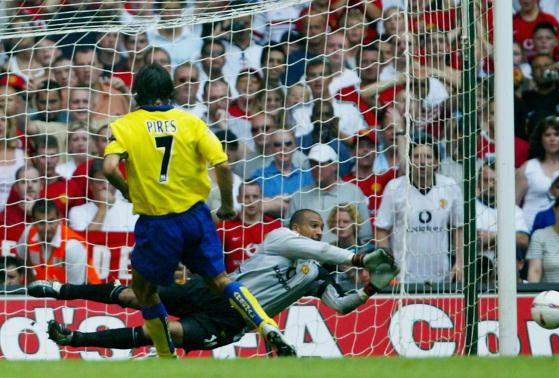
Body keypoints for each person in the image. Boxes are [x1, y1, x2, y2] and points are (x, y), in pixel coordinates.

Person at [102, 63, 294, 358]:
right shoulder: (191, 122)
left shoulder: (124, 125)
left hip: (158, 222)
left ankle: (166, 356)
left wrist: (126, 189)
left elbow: (109, 167)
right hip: (196, 217)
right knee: (220, 281)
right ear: (170, 91)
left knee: (144, 291)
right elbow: (224, 165)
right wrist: (229, 204)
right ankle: (267, 325)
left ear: (137, 93)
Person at [30, 209, 397, 353]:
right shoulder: (279, 238)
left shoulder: (316, 274)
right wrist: (358, 258)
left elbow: (341, 306)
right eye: (314, 226)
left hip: (233, 320)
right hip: (215, 290)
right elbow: (326, 253)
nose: (319, 232)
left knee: (163, 333)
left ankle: (74, 339)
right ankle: (61, 290)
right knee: (137, 295)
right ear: (298, 227)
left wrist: (370, 286)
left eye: (321, 228)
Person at [375, 136, 464, 284]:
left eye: (428, 157)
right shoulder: (394, 187)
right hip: (403, 276)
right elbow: (382, 229)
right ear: (409, 160)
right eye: (416, 156)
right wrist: (387, 266)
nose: (422, 162)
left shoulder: (450, 186)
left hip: (441, 275)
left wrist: (460, 263)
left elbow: (459, 227)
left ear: (437, 162)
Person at [287, 143, 372, 243]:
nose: (316, 168)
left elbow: (365, 236)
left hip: (345, 256)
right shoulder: (299, 196)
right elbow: (288, 235)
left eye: (322, 164)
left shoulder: (353, 192)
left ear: (334, 166)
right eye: (313, 163)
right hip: (308, 256)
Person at [17, 199, 101, 285]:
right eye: (41, 223)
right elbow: (24, 263)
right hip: (51, 291)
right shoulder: (28, 233)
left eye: (51, 221)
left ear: (59, 219)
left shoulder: (72, 246)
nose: (47, 228)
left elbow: (76, 290)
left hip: (87, 293)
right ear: (33, 222)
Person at [516, 116, 559, 230]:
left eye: (557, 134)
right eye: (547, 135)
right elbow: (513, 205)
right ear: (540, 139)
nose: (552, 139)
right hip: (529, 231)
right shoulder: (528, 167)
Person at [217, 182, 282, 273]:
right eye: (246, 197)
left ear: (261, 198)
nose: (251, 201)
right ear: (238, 199)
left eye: (255, 196)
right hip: (235, 282)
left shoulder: (275, 226)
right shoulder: (224, 228)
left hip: (267, 281)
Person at [68, 159, 137, 232]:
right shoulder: (77, 212)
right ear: (91, 185)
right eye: (100, 182)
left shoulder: (131, 210)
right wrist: (103, 208)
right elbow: (84, 241)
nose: (105, 186)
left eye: (110, 182)